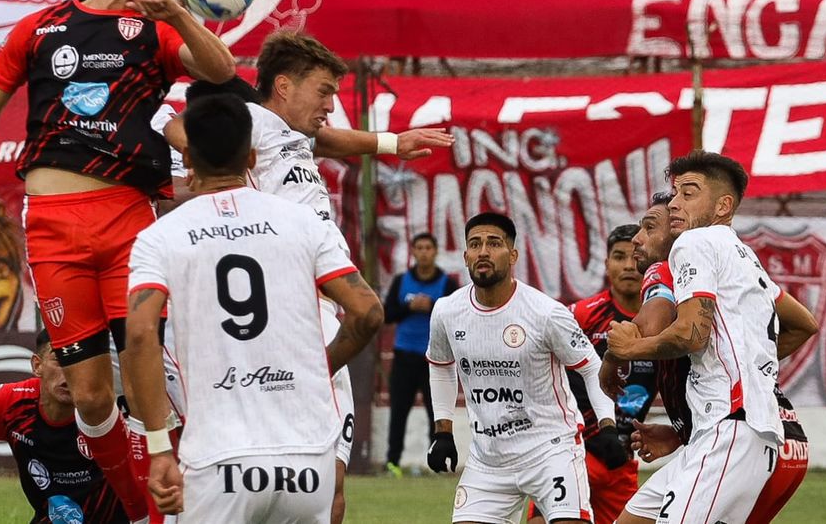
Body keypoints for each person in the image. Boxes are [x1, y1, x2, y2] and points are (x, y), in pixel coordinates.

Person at [0, 0, 236, 523]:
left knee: (142, 365)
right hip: (53, 224)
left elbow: (221, 70)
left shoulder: (154, 32)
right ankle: (140, 513)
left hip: (127, 219)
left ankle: (173, 490)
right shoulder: (41, 27)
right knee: (89, 395)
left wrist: (182, 15)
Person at [166, 31, 452, 524]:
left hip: (325, 302)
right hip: (284, 303)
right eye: (323, 92)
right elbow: (179, 130)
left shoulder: (290, 133)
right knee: (268, 479)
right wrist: (216, 184)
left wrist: (390, 143)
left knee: (330, 486)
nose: (330, 105)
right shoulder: (250, 120)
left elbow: (326, 138)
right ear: (282, 85)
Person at [125, 93, 384, 523]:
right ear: (250, 156)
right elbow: (368, 312)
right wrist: (318, 371)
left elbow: (138, 336)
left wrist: (158, 447)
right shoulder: (302, 223)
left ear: (186, 158)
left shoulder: (160, 236)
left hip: (217, 460)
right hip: (304, 463)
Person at [605, 151, 799, 523]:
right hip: (735, 433)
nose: (675, 203)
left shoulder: (695, 243)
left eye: (689, 193)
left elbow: (693, 333)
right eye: (675, 193)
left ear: (723, 205)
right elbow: (803, 325)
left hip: (730, 431)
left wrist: (631, 348)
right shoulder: (744, 255)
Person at [426, 212, 617, 524]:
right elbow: (440, 367)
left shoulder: (546, 313)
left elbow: (591, 367)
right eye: (475, 244)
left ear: (512, 255)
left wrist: (607, 425)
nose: (483, 251)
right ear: (465, 256)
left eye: (493, 243)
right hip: (488, 459)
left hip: (550, 451)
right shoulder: (447, 311)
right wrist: (442, 431)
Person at [0, 331, 128, 524]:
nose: (69, 371)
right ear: (37, 366)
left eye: (79, 361)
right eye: (59, 358)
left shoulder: (108, 406)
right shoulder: (12, 403)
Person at [527, 223, 656, 524]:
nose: (627, 265)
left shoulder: (662, 318)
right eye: (618, 256)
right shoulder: (582, 314)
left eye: (634, 257)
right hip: (572, 449)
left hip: (620, 458)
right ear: (607, 263)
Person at [382, 232, 459, 477]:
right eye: (419, 248)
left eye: (428, 247)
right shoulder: (401, 280)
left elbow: (456, 316)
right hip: (404, 355)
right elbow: (387, 314)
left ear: (435, 252)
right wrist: (409, 307)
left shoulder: (447, 284)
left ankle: (435, 462)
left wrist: (432, 307)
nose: (424, 252)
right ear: (413, 252)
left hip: (434, 359)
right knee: (399, 411)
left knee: (436, 411)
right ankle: (392, 463)